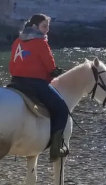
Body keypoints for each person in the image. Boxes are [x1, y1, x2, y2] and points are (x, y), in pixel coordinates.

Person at [8, 14, 69, 161]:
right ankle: (55, 149)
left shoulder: (17, 41)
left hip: (15, 82)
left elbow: (12, 65)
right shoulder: (41, 42)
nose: (47, 30)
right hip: (35, 84)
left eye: (48, 27)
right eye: (44, 26)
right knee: (62, 109)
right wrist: (55, 72)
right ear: (35, 26)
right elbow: (50, 67)